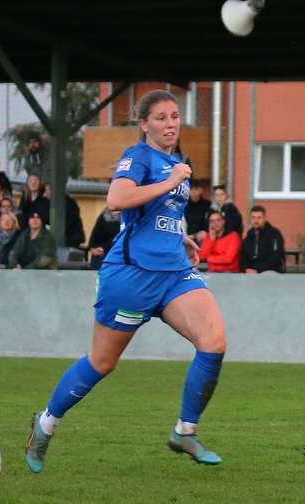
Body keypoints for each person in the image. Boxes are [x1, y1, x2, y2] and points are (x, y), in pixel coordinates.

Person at [25, 89, 228, 474]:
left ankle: (185, 431)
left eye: (174, 116)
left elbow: (156, 214)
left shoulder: (174, 162)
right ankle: (46, 424)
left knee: (214, 341)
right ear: (144, 124)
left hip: (172, 272)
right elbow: (118, 199)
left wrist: (179, 236)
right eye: (161, 118)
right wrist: (171, 181)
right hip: (131, 276)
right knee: (102, 362)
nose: (170, 124)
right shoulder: (138, 157)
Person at [240, 205, 285, 273]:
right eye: (253, 218)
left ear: (264, 218)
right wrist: (246, 269)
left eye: (259, 218)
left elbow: (276, 257)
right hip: (251, 272)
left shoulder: (274, 234)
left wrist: (258, 269)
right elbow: (243, 258)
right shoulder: (248, 238)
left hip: (270, 271)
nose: (256, 220)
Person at [43, 183, 86, 248]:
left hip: (71, 237)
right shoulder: (47, 203)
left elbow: (72, 220)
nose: (46, 193)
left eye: (47, 190)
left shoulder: (69, 203)